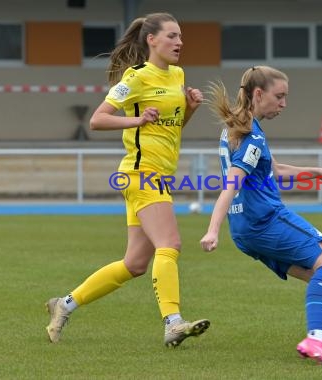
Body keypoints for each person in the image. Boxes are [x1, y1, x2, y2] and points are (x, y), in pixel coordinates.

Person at [45, 12, 210, 347]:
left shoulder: (178, 75)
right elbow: (97, 120)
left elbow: (171, 129)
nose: (179, 43)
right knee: (171, 244)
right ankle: (173, 323)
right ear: (152, 40)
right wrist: (136, 121)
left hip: (160, 174)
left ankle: (64, 305)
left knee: (135, 263)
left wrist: (189, 108)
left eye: (180, 37)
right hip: (141, 173)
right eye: (172, 36)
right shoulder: (135, 77)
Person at [199, 66, 322, 366]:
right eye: (279, 96)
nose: (284, 104)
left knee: (319, 277)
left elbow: (274, 169)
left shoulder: (236, 126)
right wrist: (212, 229)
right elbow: (232, 183)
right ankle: (316, 338)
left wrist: (317, 172)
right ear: (258, 94)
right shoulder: (252, 136)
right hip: (265, 220)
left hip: (245, 231)